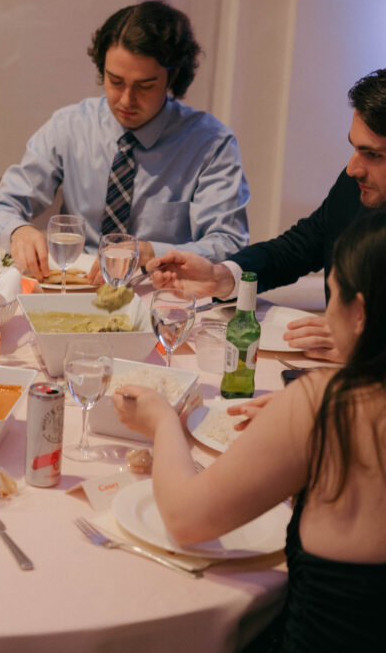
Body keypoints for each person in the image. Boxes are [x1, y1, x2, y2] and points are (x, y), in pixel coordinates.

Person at [113, 213, 386, 652]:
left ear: (359, 315)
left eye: (331, 294)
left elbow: (186, 520)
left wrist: (163, 421)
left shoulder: (327, 407)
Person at [0, 0, 250, 280]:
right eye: (115, 81)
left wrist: (152, 252)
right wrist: (18, 231)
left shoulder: (211, 144)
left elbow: (229, 244)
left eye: (145, 86)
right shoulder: (70, 126)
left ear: (173, 76)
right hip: (79, 286)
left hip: (161, 292)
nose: (126, 100)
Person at [149, 69, 386, 365]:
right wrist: (221, 276)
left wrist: (369, 351)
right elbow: (296, 248)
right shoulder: (355, 187)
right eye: (353, 148)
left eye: (373, 155)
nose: (353, 168)